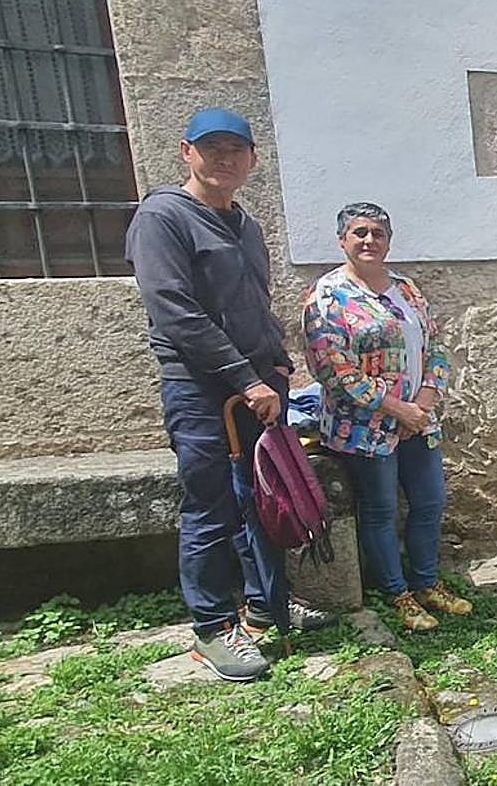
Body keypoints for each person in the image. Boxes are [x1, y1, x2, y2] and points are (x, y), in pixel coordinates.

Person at [126, 107, 328, 683]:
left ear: (252, 161)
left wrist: (276, 359)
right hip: (203, 387)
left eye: (235, 150)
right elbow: (176, 313)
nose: (224, 158)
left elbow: (251, 302)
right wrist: (246, 378)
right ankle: (213, 626)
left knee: (265, 500)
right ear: (186, 151)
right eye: (211, 148)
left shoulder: (245, 224)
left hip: (261, 383)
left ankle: (268, 604)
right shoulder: (163, 216)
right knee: (210, 506)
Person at [303, 202, 471, 632]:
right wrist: (398, 409)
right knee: (379, 509)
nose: (368, 241)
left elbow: (434, 345)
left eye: (377, 233)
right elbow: (334, 370)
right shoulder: (328, 297)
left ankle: (427, 582)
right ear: (342, 240)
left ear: (389, 241)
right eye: (359, 233)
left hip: (419, 420)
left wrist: (426, 400)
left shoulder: (407, 290)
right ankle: (398, 594)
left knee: (429, 502)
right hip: (366, 428)